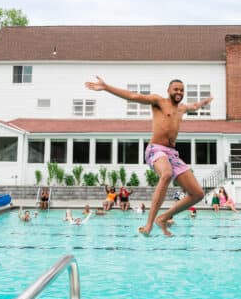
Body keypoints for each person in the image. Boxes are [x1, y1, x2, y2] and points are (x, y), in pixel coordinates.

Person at [86, 76, 211, 236]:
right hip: (156, 149)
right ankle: (149, 224)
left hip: (173, 154)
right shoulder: (158, 101)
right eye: (176, 89)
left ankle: (163, 218)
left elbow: (194, 106)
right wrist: (106, 87)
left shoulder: (182, 109)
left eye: (181, 90)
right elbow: (133, 96)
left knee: (198, 194)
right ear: (168, 91)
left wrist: (204, 103)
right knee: (166, 174)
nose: (179, 92)